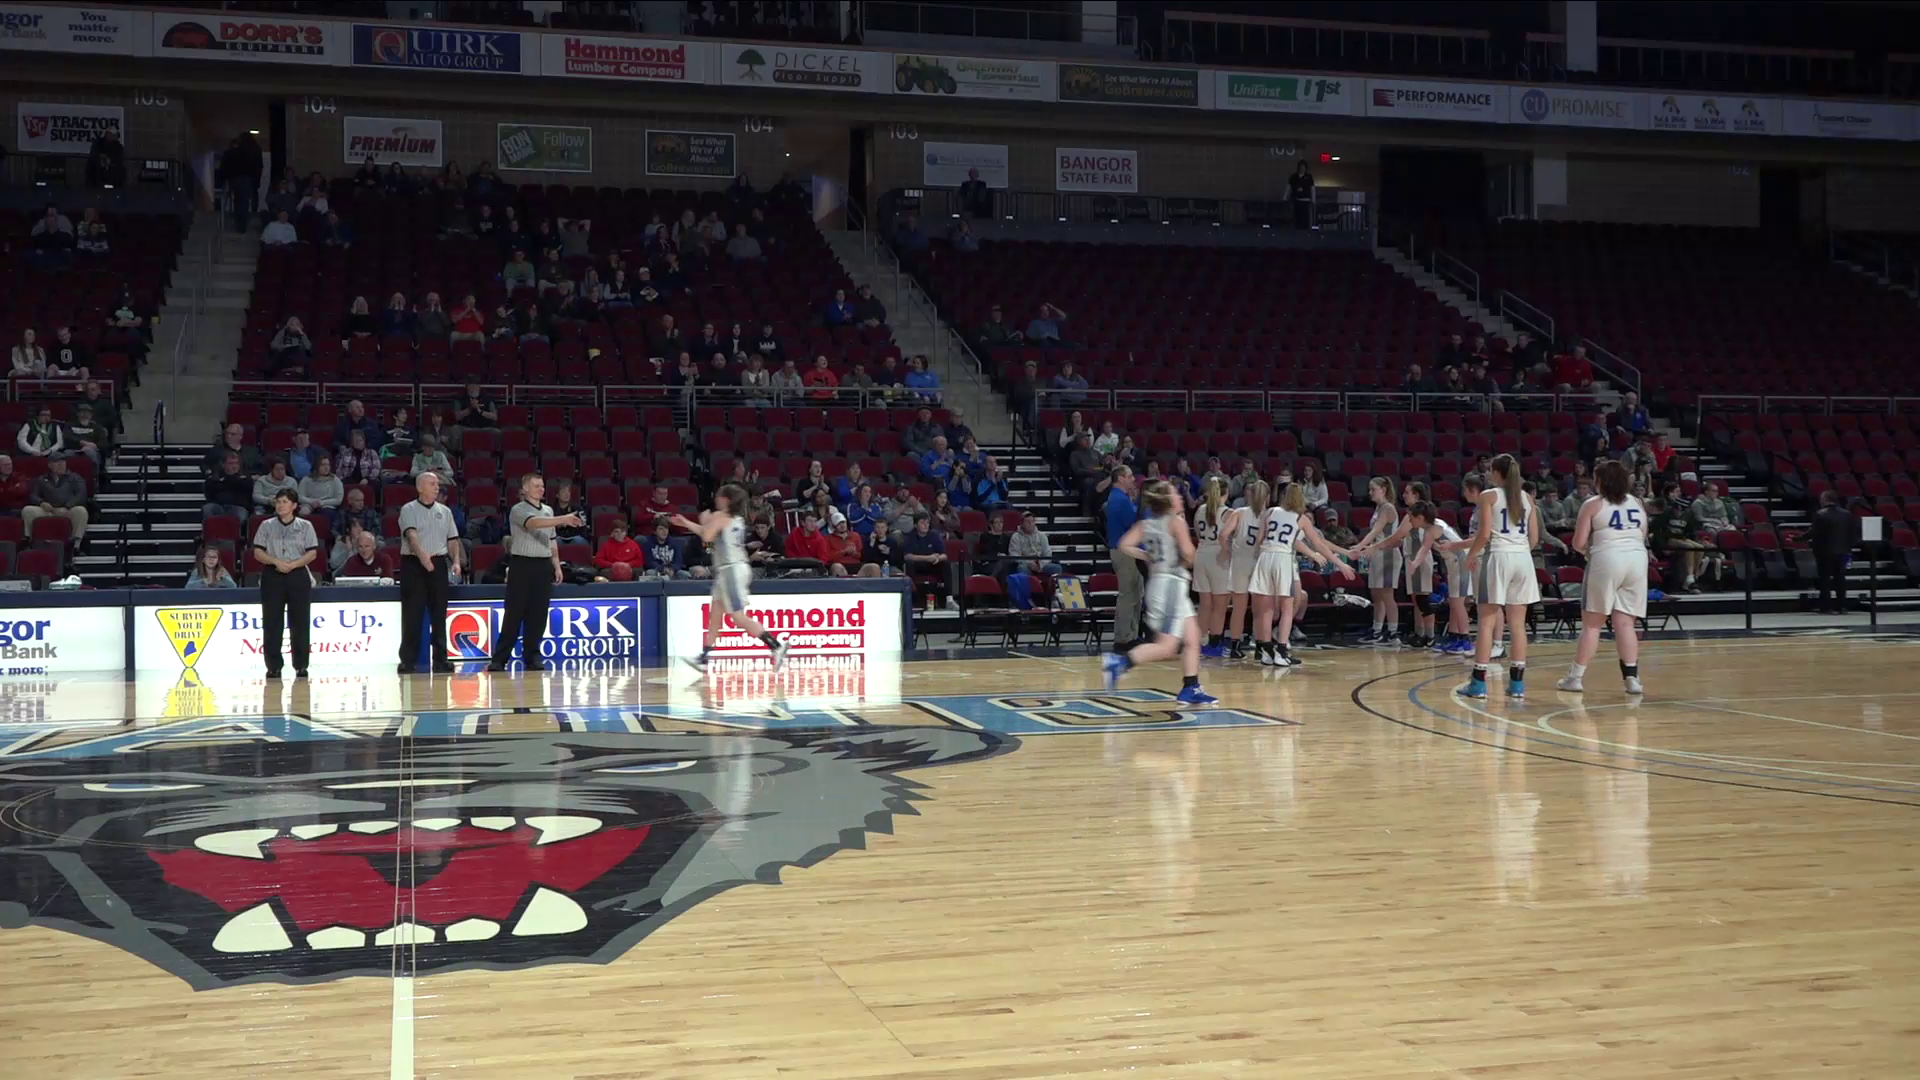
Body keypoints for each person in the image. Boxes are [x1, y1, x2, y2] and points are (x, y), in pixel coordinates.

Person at [1100, 481, 1218, 705]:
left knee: (1193, 638)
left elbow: (1124, 545)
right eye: (1176, 493)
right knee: (1168, 646)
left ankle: (1191, 686)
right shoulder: (1176, 521)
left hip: (1160, 583)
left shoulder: (1145, 524)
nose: (1180, 496)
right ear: (1167, 500)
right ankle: (1120, 663)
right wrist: (1185, 556)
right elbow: (1190, 555)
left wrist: (1148, 556)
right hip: (1171, 586)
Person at [668, 484, 790, 670]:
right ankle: (704, 657)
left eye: (718, 496)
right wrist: (685, 522)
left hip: (731, 570)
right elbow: (708, 532)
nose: (716, 499)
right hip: (731, 569)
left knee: (738, 617)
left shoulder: (720, 516)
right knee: (715, 614)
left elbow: (707, 537)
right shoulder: (736, 518)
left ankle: (776, 646)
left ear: (725, 499)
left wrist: (704, 519)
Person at [1557, 460, 1650, 695]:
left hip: (1607, 557)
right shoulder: (1637, 502)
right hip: (1637, 559)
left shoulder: (1592, 504)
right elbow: (1643, 533)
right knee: (1626, 623)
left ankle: (1575, 677)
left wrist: (1590, 551)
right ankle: (1632, 679)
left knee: (1592, 624)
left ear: (1601, 481)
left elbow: (1578, 543)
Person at [1248, 480, 1354, 667]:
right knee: (1288, 607)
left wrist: (1258, 559)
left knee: (1266, 609)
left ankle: (1265, 651)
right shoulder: (1301, 518)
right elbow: (1320, 544)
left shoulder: (1270, 512)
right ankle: (1281, 651)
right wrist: (1340, 563)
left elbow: (1259, 540)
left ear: (1283, 496)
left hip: (1265, 557)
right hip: (1283, 558)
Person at [1464, 454, 1541, 700]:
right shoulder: (1527, 498)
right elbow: (1535, 538)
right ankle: (1517, 684)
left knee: (1486, 622)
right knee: (1517, 624)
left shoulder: (1489, 496)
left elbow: (1484, 534)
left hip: (1498, 557)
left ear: (1497, 473)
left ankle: (1478, 682)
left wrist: (1472, 555)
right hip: (1523, 558)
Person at [490, 472, 579, 672]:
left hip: (543, 565)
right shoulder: (518, 509)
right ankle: (500, 658)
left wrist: (556, 564)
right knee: (514, 613)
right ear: (526, 489)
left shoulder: (548, 510)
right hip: (522, 565)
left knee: (538, 615)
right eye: (537, 485)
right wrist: (562, 518)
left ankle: (532, 656)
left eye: (542, 485)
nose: (541, 488)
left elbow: (551, 539)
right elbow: (533, 523)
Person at [397, 472, 461, 674]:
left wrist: (457, 561)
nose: (437, 487)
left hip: (439, 563)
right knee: (412, 614)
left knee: (439, 614)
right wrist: (424, 558)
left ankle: (441, 659)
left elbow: (453, 539)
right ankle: (408, 660)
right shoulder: (409, 509)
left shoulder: (445, 511)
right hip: (414, 564)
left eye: (437, 484)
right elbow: (411, 537)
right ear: (420, 487)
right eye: (432, 484)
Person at [252, 490, 320, 679]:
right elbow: (258, 552)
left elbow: (312, 553)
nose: (280, 505)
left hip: (297, 574)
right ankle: (273, 666)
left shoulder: (305, 526)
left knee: (300, 621)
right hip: (273, 574)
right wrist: (276, 562)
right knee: (272, 621)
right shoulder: (266, 526)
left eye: (284, 502)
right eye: (278, 502)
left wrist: (293, 565)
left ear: (294, 505)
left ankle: (301, 665)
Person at [1404, 501, 1475, 655]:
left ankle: (1466, 642)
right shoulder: (1436, 525)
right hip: (1455, 564)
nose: (1409, 521)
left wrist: (1415, 563)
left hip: (1460, 563)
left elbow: (1424, 549)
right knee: (1455, 603)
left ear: (1421, 517)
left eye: (1411, 518)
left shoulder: (1432, 529)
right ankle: (1456, 638)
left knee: (1458, 604)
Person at [1104, 465, 1141, 648]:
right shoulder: (1119, 499)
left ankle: (1131, 635)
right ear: (1120, 478)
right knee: (1127, 594)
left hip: (1126, 551)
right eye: (1130, 476)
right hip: (1125, 551)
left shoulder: (1121, 498)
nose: (1133, 479)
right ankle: (1124, 637)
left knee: (1134, 593)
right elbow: (1133, 522)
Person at [22, 455, 89, 541]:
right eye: (57, 462)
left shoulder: (75, 477)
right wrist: (41, 503)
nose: (61, 465)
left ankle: (76, 543)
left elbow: (81, 494)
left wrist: (67, 506)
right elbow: (32, 495)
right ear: (49, 465)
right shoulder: (42, 479)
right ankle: (29, 540)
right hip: (48, 510)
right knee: (27, 510)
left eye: (63, 462)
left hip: (67, 510)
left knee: (81, 511)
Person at [1809, 489, 1854, 615]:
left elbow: (1815, 533)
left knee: (1825, 580)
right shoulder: (1847, 514)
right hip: (1843, 551)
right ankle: (1841, 606)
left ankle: (1826, 607)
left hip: (1825, 552)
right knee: (1840, 579)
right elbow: (1852, 534)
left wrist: (1800, 539)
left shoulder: (1820, 514)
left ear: (1825, 499)